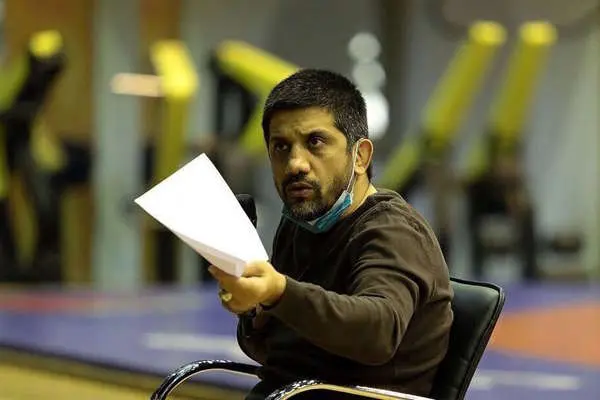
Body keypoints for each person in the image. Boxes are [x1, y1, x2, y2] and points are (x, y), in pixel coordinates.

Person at [208, 69, 453, 399]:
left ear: (360, 156)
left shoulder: (393, 231)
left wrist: (278, 292)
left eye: (315, 142)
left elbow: (378, 333)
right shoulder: (300, 222)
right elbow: (274, 352)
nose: (295, 164)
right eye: (281, 147)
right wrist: (255, 308)